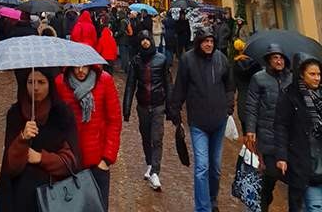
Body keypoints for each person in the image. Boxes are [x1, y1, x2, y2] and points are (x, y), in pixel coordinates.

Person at [0, 67, 79, 212]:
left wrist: (41, 158)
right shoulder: (15, 115)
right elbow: (10, 167)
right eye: (30, 82)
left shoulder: (61, 114)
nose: (35, 88)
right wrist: (22, 139)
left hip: (52, 198)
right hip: (19, 199)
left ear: (50, 84)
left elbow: (71, 162)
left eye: (41, 82)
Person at [170, 26, 234, 212]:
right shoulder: (188, 60)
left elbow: (229, 85)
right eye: (206, 41)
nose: (209, 44)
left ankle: (212, 199)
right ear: (199, 42)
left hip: (219, 121)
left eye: (211, 41)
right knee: (202, 167)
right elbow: (180, 86)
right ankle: (202, 208)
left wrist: (229, 106)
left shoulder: (221, 59)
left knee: (215, 168)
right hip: (198, 122)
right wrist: (175, 110)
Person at [55, 63, 122, 211]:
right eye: (76, 66)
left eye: (85, 66)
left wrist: (106, 159)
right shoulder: (60, 82)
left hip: (97, 163)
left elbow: (114, 120)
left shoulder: (104, 80)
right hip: (69, 162)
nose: (80, 70)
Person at [244, 43, 291, 211]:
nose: (278, 61)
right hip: (267, 134)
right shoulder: (259, 78)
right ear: (268, 60)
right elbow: (251, 105)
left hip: (288, 137)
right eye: (275, 58)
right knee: (271, 174)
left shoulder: (291, 78)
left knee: (292, 178)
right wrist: (250, 130)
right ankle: (263, 200)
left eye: (281, 58)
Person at [123, 30, 170, 191]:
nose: (145, 42)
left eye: (147, 39)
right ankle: (150, 164)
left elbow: (167, 84)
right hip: (142, 105)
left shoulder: (161, 60)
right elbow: (130, 85)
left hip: (158, 105)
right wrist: (127, 107)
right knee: (145, 136)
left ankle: (156, 171)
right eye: (142, 39)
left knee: (157, 138)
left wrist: (170, 107)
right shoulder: (136, 61)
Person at [276, 54, 322, 212]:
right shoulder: (290, 96)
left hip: (320, 159)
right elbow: (281, 127)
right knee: (314, 206)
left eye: (319, 74)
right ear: (302, 75)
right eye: (312, 74)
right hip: (303, 163)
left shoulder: (320, 97)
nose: (317, 78)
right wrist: (282, 156)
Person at [232, 39, 259, 135]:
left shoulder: (235, 65)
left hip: (243, 101)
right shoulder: (256, 64)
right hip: (256, 101)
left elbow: (233, 85)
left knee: (247, 134)